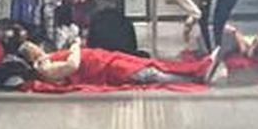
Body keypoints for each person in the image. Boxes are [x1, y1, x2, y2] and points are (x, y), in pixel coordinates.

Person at [19, 41, 211, 87]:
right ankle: (192, 78)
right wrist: (75, 47)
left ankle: (193, 73)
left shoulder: (49, 57)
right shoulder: (44, 67)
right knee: (148, 74)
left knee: (151, 66)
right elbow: (72, 66)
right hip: (104, 68)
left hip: (104, 60)